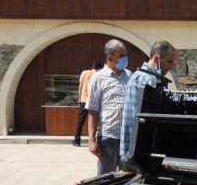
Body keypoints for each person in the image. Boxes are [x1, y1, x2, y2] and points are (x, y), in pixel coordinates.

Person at [120, 41, 176, 157]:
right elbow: (165, 98)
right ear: (156, 59)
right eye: (169, 61)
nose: (171, 66)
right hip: (137, 146)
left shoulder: (138, 75)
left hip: (132, 144)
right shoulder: (148, 79)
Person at [86, 39, 131, 174]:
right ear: (110, 58)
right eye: (121, 55)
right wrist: (91, 140)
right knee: (106, 178)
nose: (125, 58)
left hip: (128, 136)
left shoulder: (129, 75)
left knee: (127, 176)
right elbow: (92, 111)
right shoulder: (98, 78)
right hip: (109, 137)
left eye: (125, 54)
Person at [73, 60, 103, 146]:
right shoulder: (99, 75)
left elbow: (80, 86)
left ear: (92, 67)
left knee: (80, 120)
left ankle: (77, 140)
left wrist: (79, 99)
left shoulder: (84, 72)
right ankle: (96, 140)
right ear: (99, 68)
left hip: (83, 99)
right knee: (97, 120)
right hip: (94, 101)